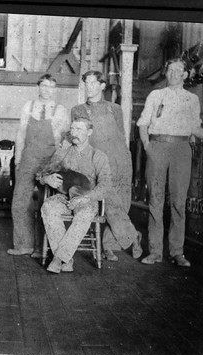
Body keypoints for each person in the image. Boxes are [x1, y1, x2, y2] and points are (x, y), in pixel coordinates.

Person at [136, 57, 203, 267]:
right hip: (157, 147)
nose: (174, 74)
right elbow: (143, 124)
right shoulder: (156, 95)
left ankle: (177, 252)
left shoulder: (191, 99)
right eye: (170, 70)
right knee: (155, 200)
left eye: (178, 70)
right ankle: (155, 252)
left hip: (181, 149)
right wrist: (148, 147)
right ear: (166, 73)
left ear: (185, 75)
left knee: (178, 202)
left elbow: (195, 129)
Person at [71, 71, 143, 262]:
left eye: (94, 83)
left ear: (103, 86)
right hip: (100, 164)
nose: (90, 87)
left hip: (121, 161)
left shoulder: (115, 109)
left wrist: (128, 161)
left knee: (121, 203)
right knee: (110, 203)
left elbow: (122, 136)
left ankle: (109, 246)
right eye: (87, 83)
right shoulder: (78, 110)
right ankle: (132, 236)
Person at [7, 74, 70, 256]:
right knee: (20, 202)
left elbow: (63, 142)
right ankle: (23, 245)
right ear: (38, 87)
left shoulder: (60, 110)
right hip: (28, 158)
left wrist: (57, 165)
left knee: (47, 203)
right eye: (43, 86)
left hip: (49, 161)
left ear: (54, 89)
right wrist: (18, 159)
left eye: (50, 86)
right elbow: (20, 134)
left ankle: (44, 248)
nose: (46, 90)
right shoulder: (29, 107)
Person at [38, 118, 112, 273]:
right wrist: (46, 179)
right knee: (48, 207)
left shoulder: (98, 156)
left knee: (84, 214)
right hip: (64, 197)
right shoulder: (62, 153)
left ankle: (58, 259)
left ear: (89, 132)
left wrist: (86, 198)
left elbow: (106, 185)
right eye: (72, 129)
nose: (74, 133)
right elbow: (40, 174)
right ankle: (67, 258)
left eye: (79, 129)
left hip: (86, 199)